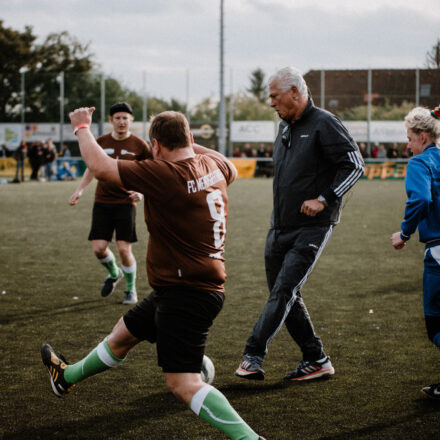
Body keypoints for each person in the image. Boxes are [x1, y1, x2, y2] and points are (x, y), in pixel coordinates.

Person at [41, 108, 265, 440]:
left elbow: (101, 167)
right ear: (190, 139)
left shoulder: (166, 174)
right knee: (122, 335)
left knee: (183, 384)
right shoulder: (216, 166)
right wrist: (189, 144)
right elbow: (224, 161)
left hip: (187, 291)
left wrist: (82, 128)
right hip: (182, 286)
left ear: (155, 145)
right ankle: (67, 377)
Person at [235, 67, 365, 382]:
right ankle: (316, 359)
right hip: (278, 227)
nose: (270, 103)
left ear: (295, 92)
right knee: (284, 295)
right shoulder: (283, 128)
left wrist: (324, 198)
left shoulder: (324, 123)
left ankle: (253, 355)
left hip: (312, 227)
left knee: (283, 291)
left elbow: (355, 165)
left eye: (275, 96)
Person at [69, 102, 151, 305]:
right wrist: (79, 190)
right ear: (111, 120)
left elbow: (149, 173)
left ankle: (130, 289)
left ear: (131, 120)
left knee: (124, 249)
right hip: (102, 202)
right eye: (117, 118)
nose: (122, 121)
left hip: (125, 203)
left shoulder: (140, 145)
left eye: (125, 118)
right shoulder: (100, 141)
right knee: (98, 249)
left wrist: (140, 192)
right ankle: (115, 273)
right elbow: (92, 168)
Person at [390, 105, 440, 400]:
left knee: (435, 326)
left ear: (422, 136)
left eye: (409, 138)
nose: (407, 145)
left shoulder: (420, 163)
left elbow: (420, 198)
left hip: (438, 252)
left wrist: (404, 232)